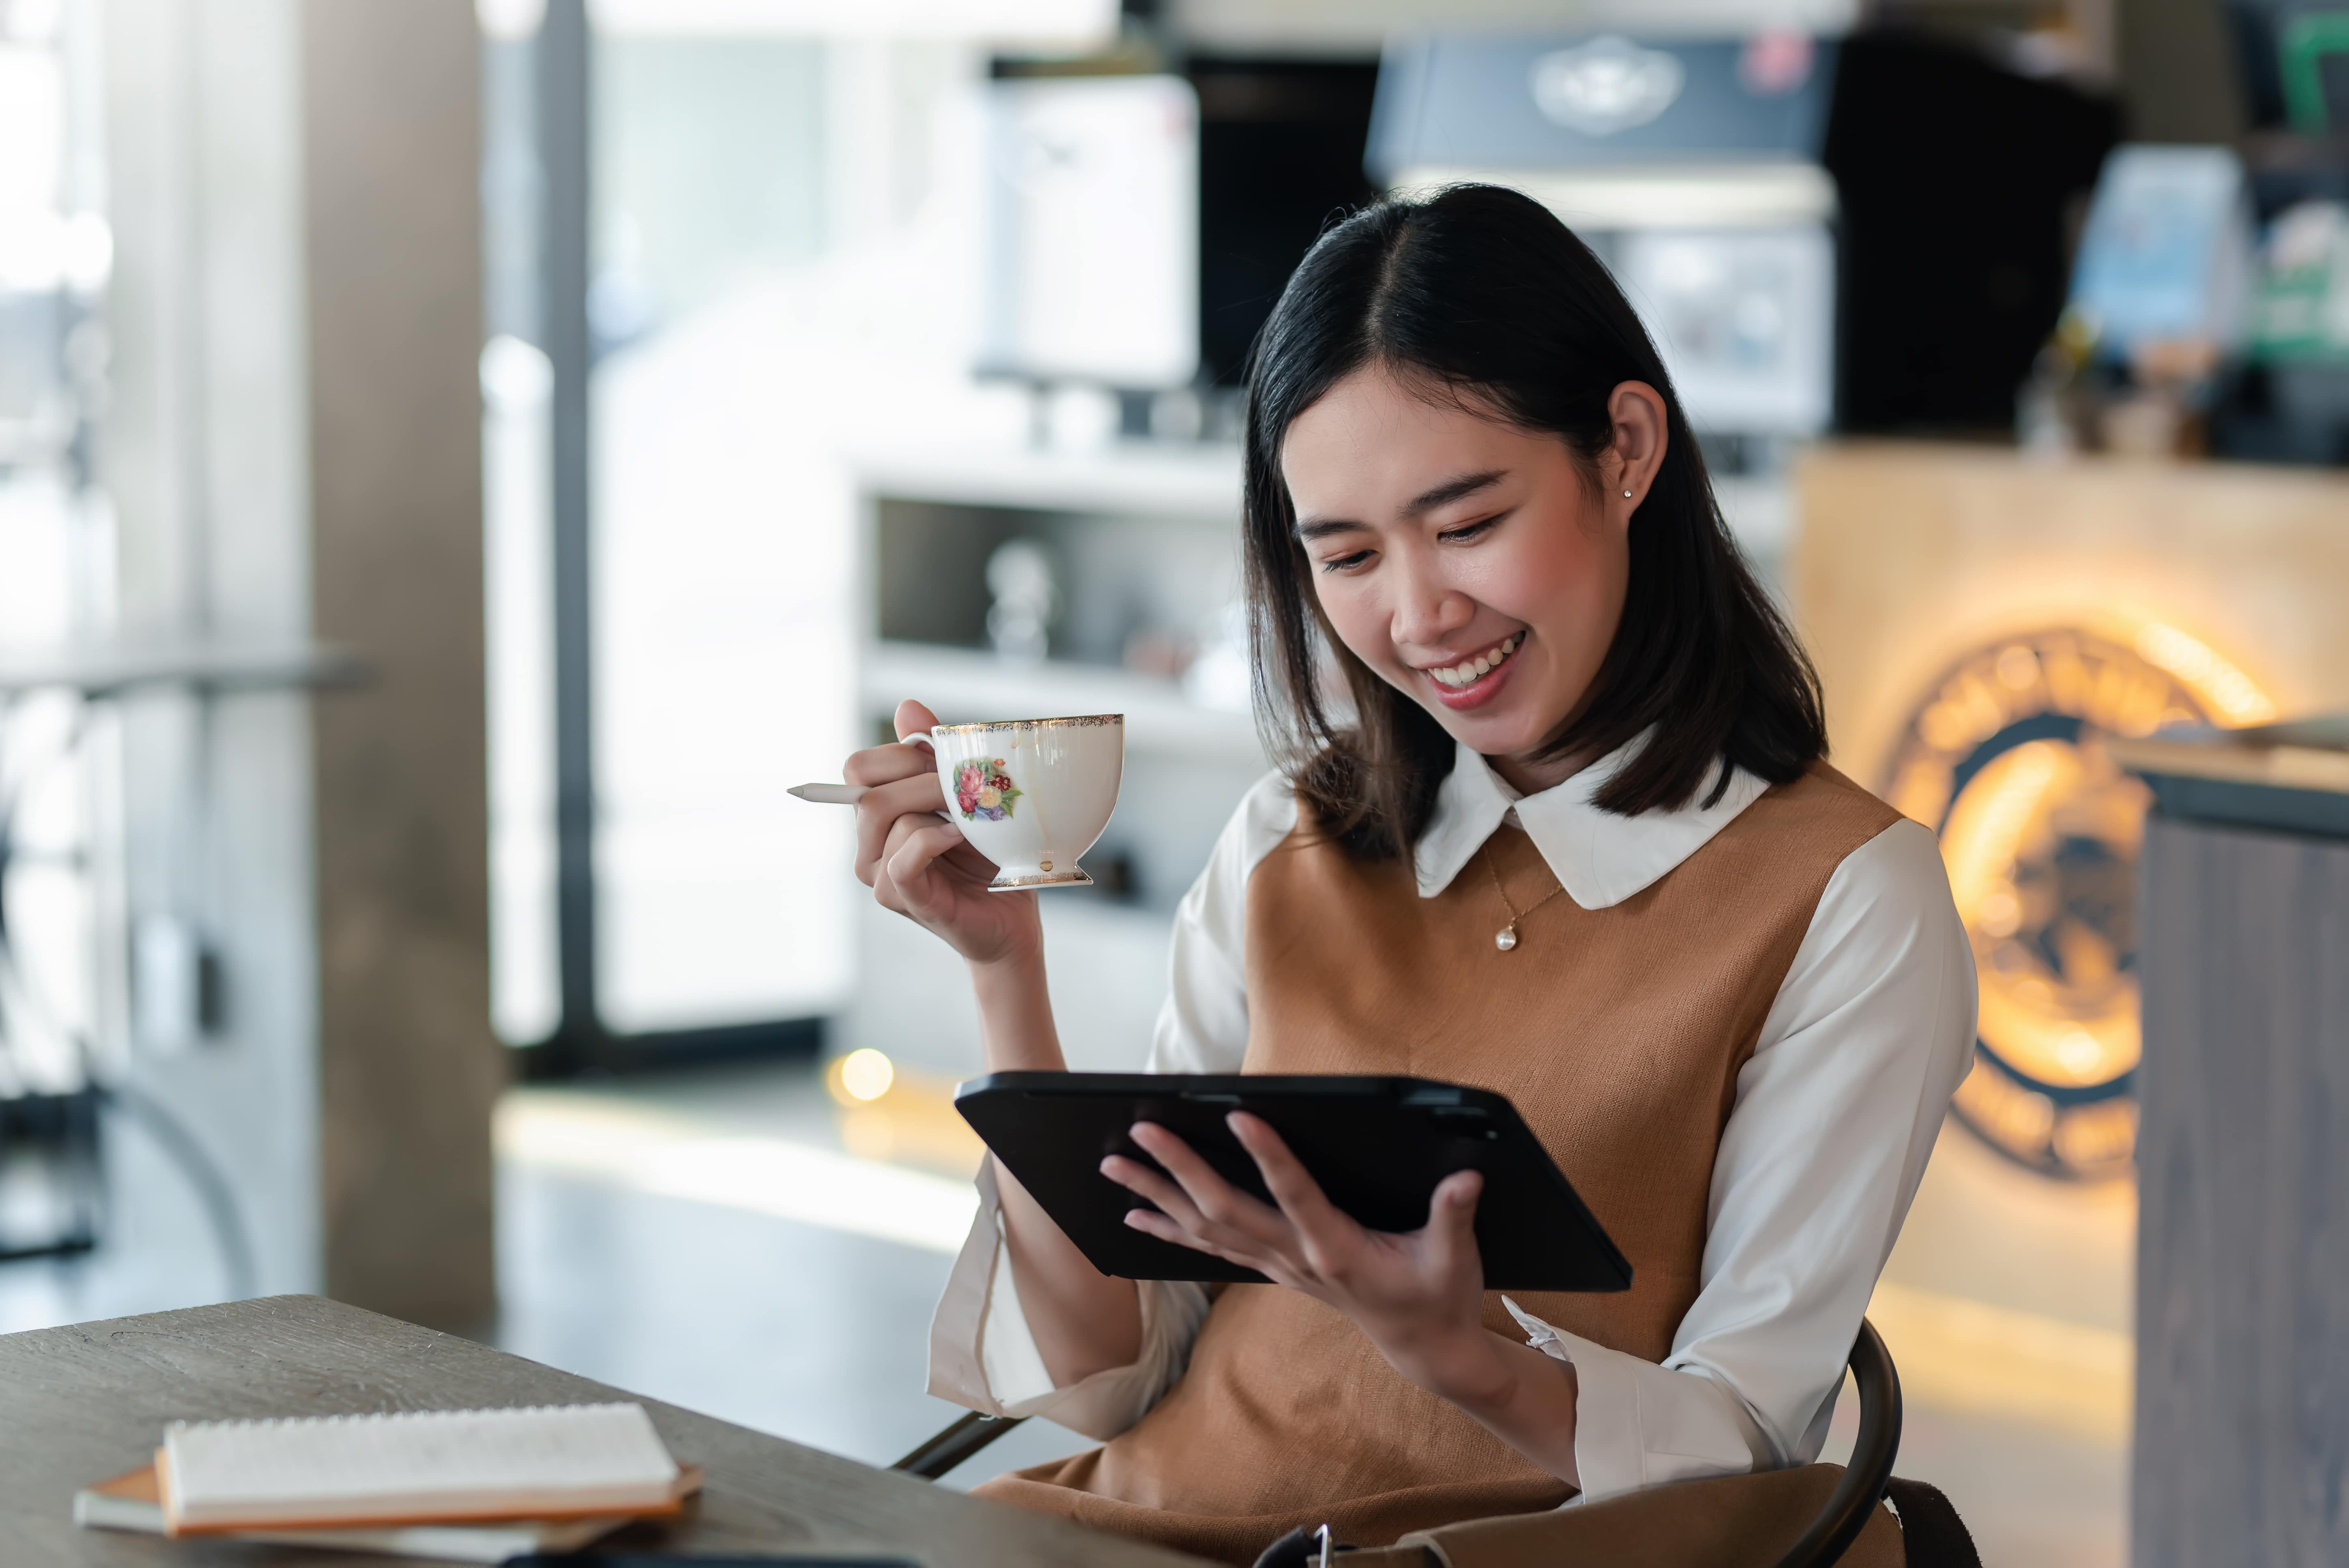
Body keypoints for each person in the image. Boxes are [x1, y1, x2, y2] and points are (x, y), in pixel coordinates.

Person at [843, 185, 1975, 1566]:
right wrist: (1004, 966)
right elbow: (1115, 1368)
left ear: (1624, 449)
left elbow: (1741, 1452)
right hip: (1139, 1527)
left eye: (1468, 521)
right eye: (1351, 555)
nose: (1421, 614)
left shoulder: (1849, 896)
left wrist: (1460, 1351)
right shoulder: (1292, 838)